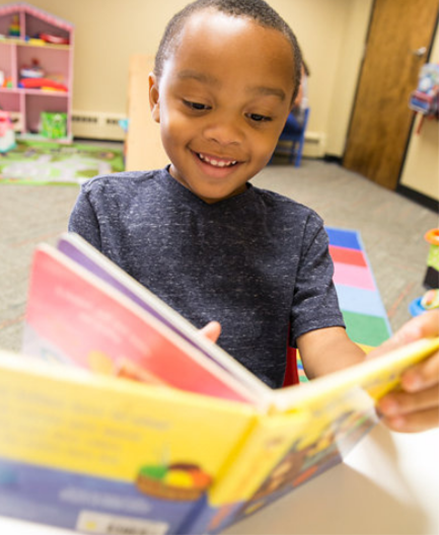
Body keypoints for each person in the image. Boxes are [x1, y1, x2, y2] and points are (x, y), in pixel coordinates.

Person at [68, 0, 439, 433]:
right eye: (197, 104)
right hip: (127, 424)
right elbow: (72, 338)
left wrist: (374, 380)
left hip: (251, 442)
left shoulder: (299, 231)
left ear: (283, 120)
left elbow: (326, 342)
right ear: (155, 97)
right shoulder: (104, 206)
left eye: (258, 116)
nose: (225, 134)